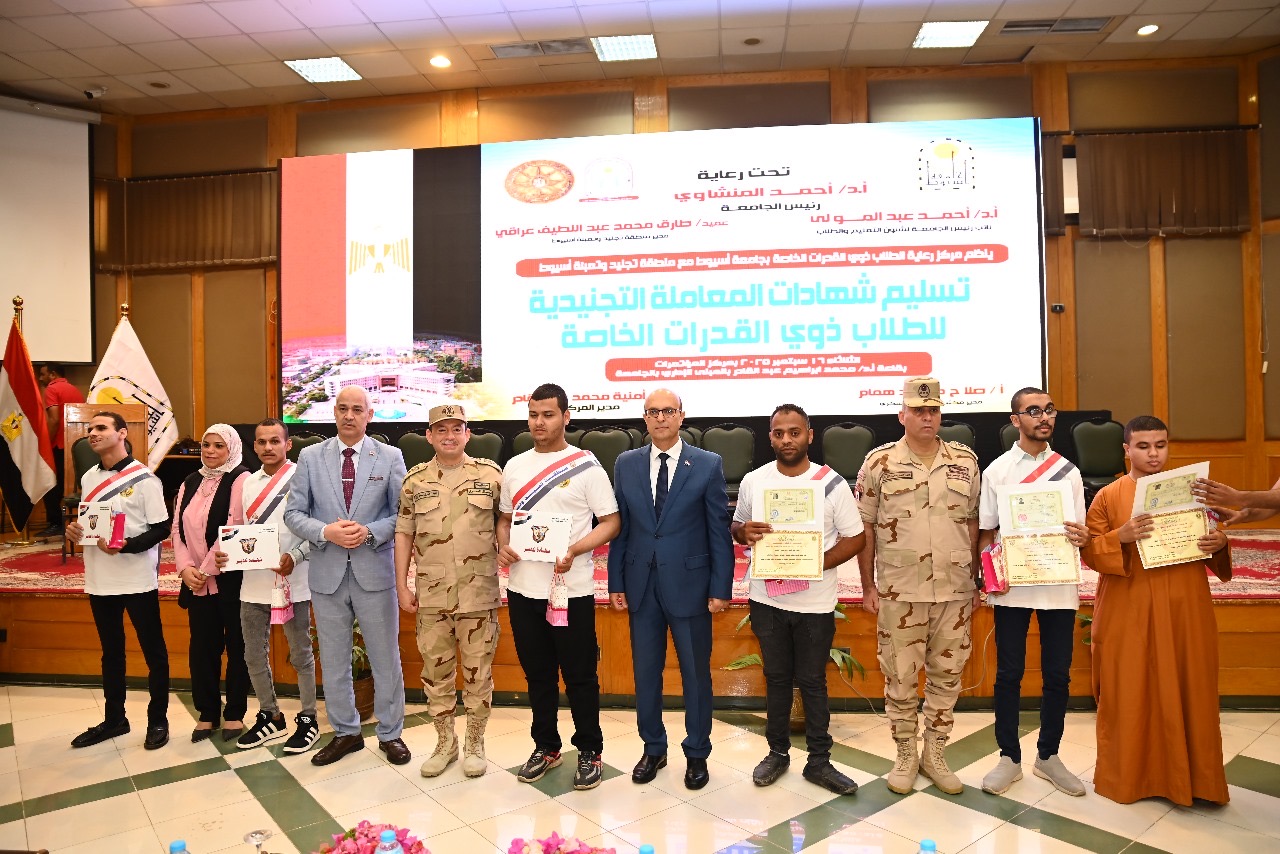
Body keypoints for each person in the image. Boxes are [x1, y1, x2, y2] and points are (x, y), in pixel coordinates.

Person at [1080, 415, 1231, 806]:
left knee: (1191, 685)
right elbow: (1090, 552)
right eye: (1143, 446)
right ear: (1126, 449)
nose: (1153, 454)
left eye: (1160, 445)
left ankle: (1198, 781)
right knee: (1130, 690)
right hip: (1129, 606)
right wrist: (1121, 536)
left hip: (1185, 604)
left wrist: (1218, 542)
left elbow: (1213, 533)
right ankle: (1130, 780)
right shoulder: (1108, 496)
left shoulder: (1191, 491)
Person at [855, 376, 980, 796]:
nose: (927, 417)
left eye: (933, 410)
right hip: (900, 591)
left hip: (954, 591)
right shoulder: (880, 463)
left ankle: (935, 752)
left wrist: (975, 580)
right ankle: (906, 753)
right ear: (902, 415)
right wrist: (868, 585)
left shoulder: (965, 461)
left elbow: (973, 523)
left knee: (948, 676)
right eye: (918, 410)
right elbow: (866, 527)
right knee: (901, 677)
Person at [732, 404, 865, 795]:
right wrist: (742, 532)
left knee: (812, 681)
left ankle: (819, 762)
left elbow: (856, 537)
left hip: (815, 603)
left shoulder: (832, 483)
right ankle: (777, 753)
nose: (786, 440)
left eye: (794, 432)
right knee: (775, 679)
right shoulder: (755, 481)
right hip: (767, 600)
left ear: (809, 435)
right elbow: (737, 526)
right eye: (779, 433)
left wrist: (814, 563)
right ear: (770, 438)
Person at [607, 389, 734, 791]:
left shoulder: (707, 464)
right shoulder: (626, 463)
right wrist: (615, 581)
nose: (660, 418)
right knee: (646, 673)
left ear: (681, 416)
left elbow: (718, 530)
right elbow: (621, 527)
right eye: (653, 412)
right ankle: (653, 748)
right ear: (644, 419)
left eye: (668, 411)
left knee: (696, 675)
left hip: (691, 586)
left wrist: (721, 586)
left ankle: (697, 753)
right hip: (640, 585)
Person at [497, 383, 620, 790]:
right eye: (533, 415)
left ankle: (590, 751)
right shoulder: (515, 466)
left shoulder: (586, 467)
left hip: (571, 590)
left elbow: (611, 522)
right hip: (523, 589)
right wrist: (502, 544)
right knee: (538, 675)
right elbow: (504, 519)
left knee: (580, 676)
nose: (539, 422)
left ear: (566, 417)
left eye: (548, 415)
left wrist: (575, 549)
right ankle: (546, 746)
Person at [285, 385, 411, 766]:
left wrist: (370, 532)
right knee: (334, 659)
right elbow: (294, 513)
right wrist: (326, 532)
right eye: (343, 408)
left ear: (370, 415)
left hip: (375, 572)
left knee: (385, 657)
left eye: (358, 409)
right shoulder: (310, 457)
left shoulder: (389, 456)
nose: (349, 415)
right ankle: (346, 733)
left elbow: (403, 514)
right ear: (334, 412)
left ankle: (390, 733)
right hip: (328, 574)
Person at [977, 388, 1090, 797]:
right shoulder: (998, 471)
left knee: (1057, 674)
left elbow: (1079, 531)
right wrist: (988, 577)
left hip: (1058, 585)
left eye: (1049, 410)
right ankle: (1009, 757)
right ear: (1015, 420)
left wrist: (1083, 537)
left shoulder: (1068, 472)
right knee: (1009, 674)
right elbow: (987, 532)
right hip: (1014, 586)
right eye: (1034, 411)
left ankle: (1049, 755)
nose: (1044, 417)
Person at [395, 404, 503, 779]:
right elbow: (403, 534)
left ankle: (474, 743)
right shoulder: (414, 481)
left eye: (457, 428)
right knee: (436, 674)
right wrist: (401, 585)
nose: (449, 436)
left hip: (478, 593)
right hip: (432, 595)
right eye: (441, 429)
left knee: (478, 674)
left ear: (467, 434)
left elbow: (506, 522)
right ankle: (445, 743)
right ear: (429, 436)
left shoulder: (490, 475)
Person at [64, 412, 171, 750]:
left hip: (137, 579)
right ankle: (114, 720)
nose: (92, 433)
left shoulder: (145, 479)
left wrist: (127, 546)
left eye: (101, 428)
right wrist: (74, 531)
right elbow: (91, 524)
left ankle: (158, 720)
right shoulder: (88, 478)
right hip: (100, 578)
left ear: (122, 433)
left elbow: (161, 528)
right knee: (111, 653)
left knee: (153, 653)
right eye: (90, 429)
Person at [212, 419, 320, 754]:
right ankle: (270, 715)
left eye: (275, 441)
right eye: (261, 442)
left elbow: (319, 530)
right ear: (254, 446)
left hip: (294, 580)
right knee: (252, 653)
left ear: (288, 444)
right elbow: (240, 529)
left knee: (300, 653)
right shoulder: (247, 483)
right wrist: (225, 553)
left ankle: (309, 718)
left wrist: (296, 556)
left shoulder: (304, 478)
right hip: (254, 582)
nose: (268, 447)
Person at [173, 424, 252, 743]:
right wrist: (184, 568)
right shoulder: (190, 481)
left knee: (237, 647)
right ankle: (207, 713)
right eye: (206, 444)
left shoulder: (241, 479)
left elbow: (235, 526)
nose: (210, 451)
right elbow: (176, 529)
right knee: (202, 649)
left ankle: (234, 713)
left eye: (219, 446)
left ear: (231, 449)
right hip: (195, 582)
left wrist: (204, 570)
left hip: (231, 581)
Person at [38, 363, 85, 537]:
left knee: (49, 484)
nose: (40, 378)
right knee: (67, 485)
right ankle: (67, 523)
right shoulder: (75, 390)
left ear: (53, 374)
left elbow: (54, 420)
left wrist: (45, 444)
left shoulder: (52, 389)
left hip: (57, 445)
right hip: (75, 446)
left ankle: (55, 523)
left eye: (42, 374)